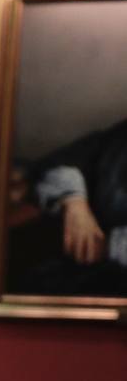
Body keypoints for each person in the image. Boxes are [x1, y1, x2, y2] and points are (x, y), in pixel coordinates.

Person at [11, 119, 127, 296]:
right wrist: (74, 202)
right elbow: (67, 159)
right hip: (58, 241)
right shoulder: (121, 135)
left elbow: (97, 247)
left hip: (105, 280)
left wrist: (108, 244)